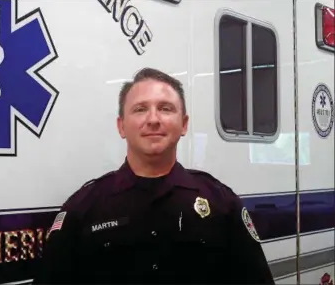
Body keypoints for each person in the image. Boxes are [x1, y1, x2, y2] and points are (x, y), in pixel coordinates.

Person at [32, 68, 275, 284]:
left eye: (165, 108)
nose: (153, 119)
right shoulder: (83, 209)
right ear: (121, 126)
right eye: (140, 109)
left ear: (184, 124)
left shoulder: (222, 204)